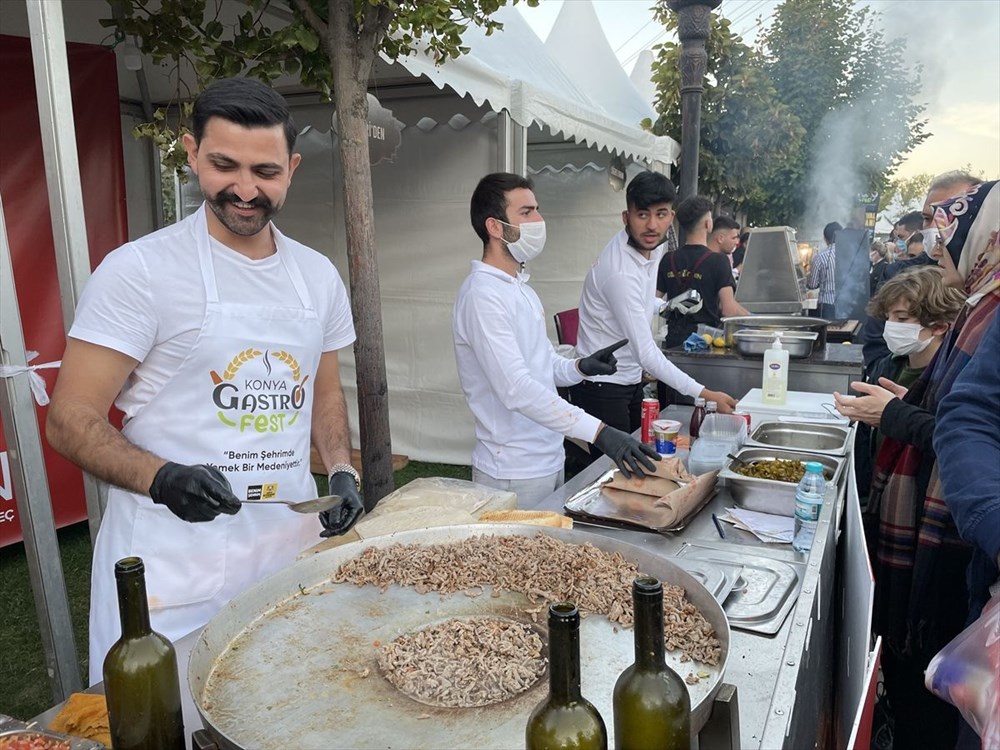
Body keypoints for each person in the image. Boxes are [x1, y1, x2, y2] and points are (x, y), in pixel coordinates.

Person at [46, 77, 364, 684]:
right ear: (191, 153)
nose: (246, 190)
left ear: (292, 169)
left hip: (285, 553)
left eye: (266, 172)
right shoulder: (140, 271)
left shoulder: (317, 276)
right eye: (224, 165)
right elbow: (70, 416)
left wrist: (341, 470)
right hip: (173, 568)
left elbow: (323, 393)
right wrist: (160, 478)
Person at [837, 180, 999, 750]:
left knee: (937, 702)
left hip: (956, 556)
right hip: (941, 550)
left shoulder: (986, 317)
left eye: (948, 233)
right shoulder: (975, 314)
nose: (937, 246)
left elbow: (960, 431)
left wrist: (898, 417)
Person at [453, 173, 659, 503]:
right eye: (526, 212)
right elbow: (516, 388)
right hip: (511, 469)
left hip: (548, 456)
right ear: (494, 227)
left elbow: (542, 362)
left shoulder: (521, 288)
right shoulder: (482, 296)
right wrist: (600, 432)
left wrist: (580, 367)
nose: (538, 220)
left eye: (537, 210)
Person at [568, 172, 735, 472]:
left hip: (630, 381)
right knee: (612, 476)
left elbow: (641, 300)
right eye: (642, 215)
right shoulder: (619, 271)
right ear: (626, 216)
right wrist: (705, 394)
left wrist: (665, 304)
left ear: (671, 216)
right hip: (603, 388)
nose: (652, 225)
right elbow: (646, 352)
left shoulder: (654, 248)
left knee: (639, 467)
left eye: (660, 214)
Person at [838, 267, 965, 501]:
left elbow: (955, 445)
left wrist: (896, 415)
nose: (891, 326)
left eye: (902, 319)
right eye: (888, 318)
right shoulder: (888, 366)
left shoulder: (956, 383)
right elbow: (866, 442)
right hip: (877, 493)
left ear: (939, 326)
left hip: (918, 499)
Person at [862, 171, 985, 371]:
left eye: (949, 216)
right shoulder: (898, 274)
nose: (937, 228)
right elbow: (876, 345)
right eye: (928, 218)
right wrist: (891, 383)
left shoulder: (990, 292)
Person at [656, 198, 749, 350]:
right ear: (708, 224)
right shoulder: (718, 261)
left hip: (673, 342)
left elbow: (653, 301)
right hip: (703, 342)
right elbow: (729, 309)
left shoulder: (668, 259)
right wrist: (754, 321)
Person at [806, 221, 841, 320]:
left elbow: (813, 284)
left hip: (827, 306)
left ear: (825, 238)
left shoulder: (820, 257)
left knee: (827, 333)